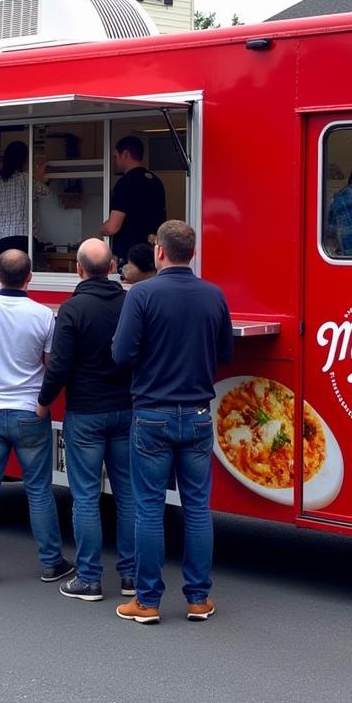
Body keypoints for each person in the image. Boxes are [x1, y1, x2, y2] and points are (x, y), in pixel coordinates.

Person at [112, 220, 233, 624]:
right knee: (198, 508)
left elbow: (122, 354)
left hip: (151, 414)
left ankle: (147, 602)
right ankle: (198, 599)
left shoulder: (141, 294)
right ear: (192, 253)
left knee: (149, 509)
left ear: (159, 252)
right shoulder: (214, 295)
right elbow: (225, 352)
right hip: (198, 413)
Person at [0, 249, 72, 586]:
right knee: (38, 490)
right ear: (30, 278)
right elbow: (52, 365)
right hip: (29, 412)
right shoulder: (42, 315)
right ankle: (52, 562)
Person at [36, 238, 134, 601]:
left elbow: (58, 366)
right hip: (127, 410)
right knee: (129, 497)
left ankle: (89, 579)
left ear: (78, 269)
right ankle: (131, 577)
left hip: (86, 414)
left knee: (86, 498)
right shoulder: (130, 303)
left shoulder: (72, 309)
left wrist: (44, 402)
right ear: (111, 267)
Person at [99, 135, 166, 263]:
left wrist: (102, 228)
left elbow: (113, 227)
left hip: (131, 258)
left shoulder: (125, 183)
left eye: (115, 156)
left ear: (125, 154)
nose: (115, 161)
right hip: (153, 255)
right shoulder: (156, 181)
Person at [0, 140, 50, 255]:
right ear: (24, 160)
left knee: (5, 271)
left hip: (2, 238)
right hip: (24, 237)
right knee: (23, 271)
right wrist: (40, 173)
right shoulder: (27, 179)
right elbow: (45, 192)